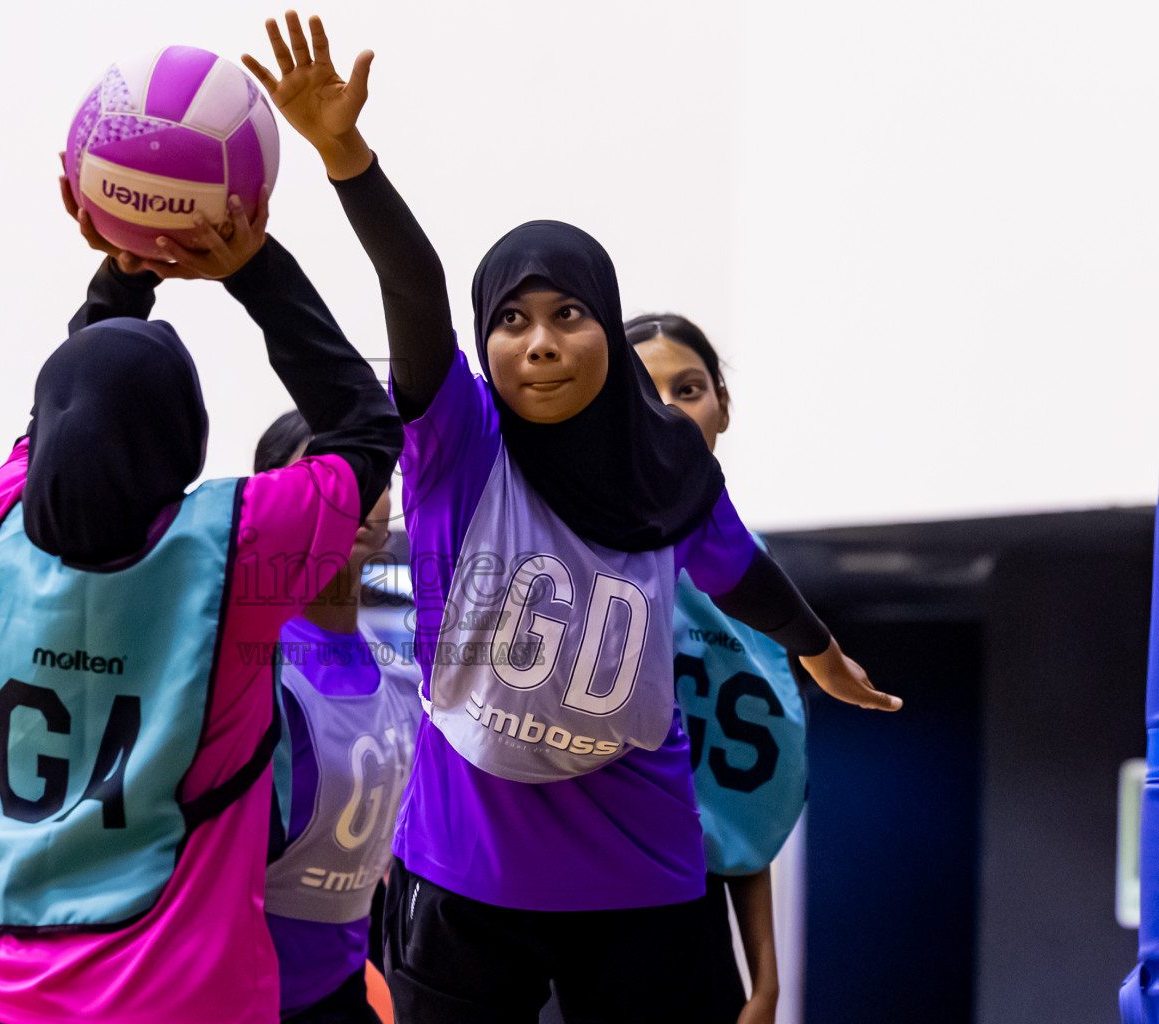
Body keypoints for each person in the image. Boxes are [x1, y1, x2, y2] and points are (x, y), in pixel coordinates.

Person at [242, 13, 900, 1022]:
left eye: (568, 316)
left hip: (635, 856)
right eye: (512, 320)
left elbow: (737, 569)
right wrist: (347, 157)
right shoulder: (454, 436)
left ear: (607, 322)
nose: (539, 344)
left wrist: (817, 650)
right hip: (465, 862)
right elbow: (412, 289)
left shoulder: (666, 464)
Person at [0, 177, 403, 1024]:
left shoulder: (1, 523)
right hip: (171, 988)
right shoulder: (233, 549)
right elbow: (366, 430)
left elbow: (65, 413)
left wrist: (121, 277)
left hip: (2, 990)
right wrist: (250, 265)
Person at [630, 313, 808, 1024]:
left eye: (690, 388)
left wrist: (765, 982)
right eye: (646, 393)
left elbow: (740, 803)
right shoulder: (582, 554)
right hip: (580, 898)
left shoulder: (753, 574)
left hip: (691, 916)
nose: (671, 411)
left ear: (723, 406)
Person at [254, 410, 423, 1023]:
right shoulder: (251, 674)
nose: (350, 494)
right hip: (241, 997)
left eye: (367, 473)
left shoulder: (407, 683)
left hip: (341, 993)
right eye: (321, 473)